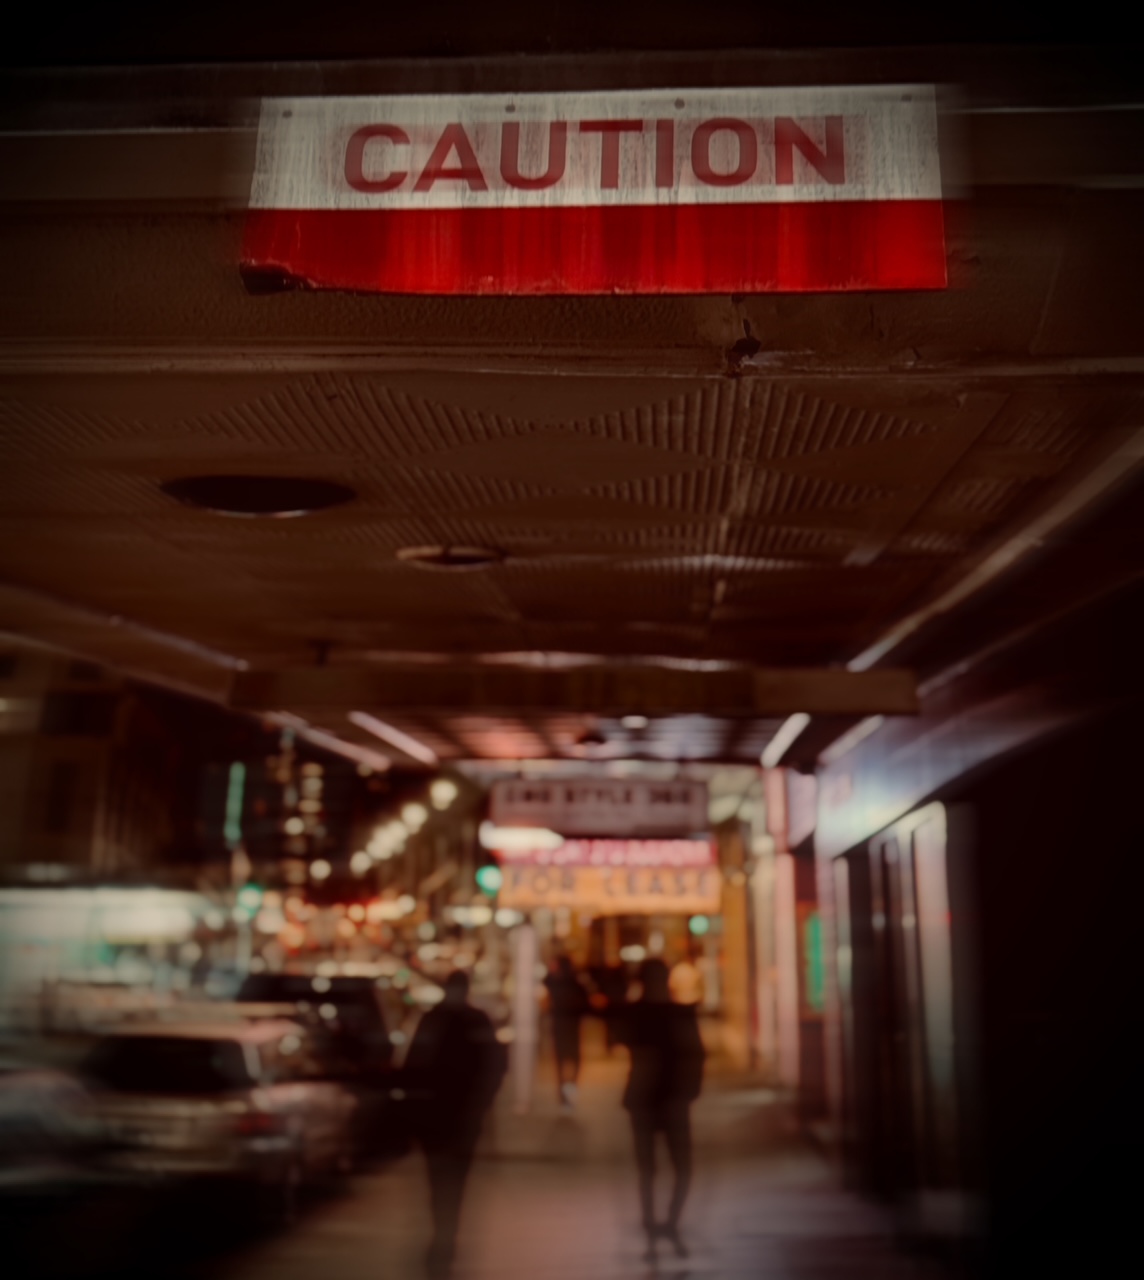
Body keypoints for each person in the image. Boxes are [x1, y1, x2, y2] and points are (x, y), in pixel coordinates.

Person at [401, 970, 507, 1279]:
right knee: (454, 1177)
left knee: (440, 1176)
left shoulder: (434, 1020)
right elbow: (495, 1065)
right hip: (460, 1115)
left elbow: (412, 1067)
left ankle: (444, 1227)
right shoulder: (475, 1021)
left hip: (441, 1114)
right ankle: (448, 1227)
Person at [619, 957, 706, 1261]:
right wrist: (690, 1089)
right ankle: (666, 1221)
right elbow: (696, 1054)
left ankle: (656, 1221)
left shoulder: (637, 1013)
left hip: (650, 1096)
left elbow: (626, 1041)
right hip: (669, 1097)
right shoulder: (678, 1014)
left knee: (651, 1167)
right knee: (676, 1166)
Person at [543, 954, 589, 1109]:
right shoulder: (576, 984)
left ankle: (563, 1089)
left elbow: (546, 981)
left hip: (560, 1026)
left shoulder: (555, 982)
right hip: (573, 1026)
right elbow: (586, 1005)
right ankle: (571, 1086)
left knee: (561, 1059)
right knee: (574, 1058)